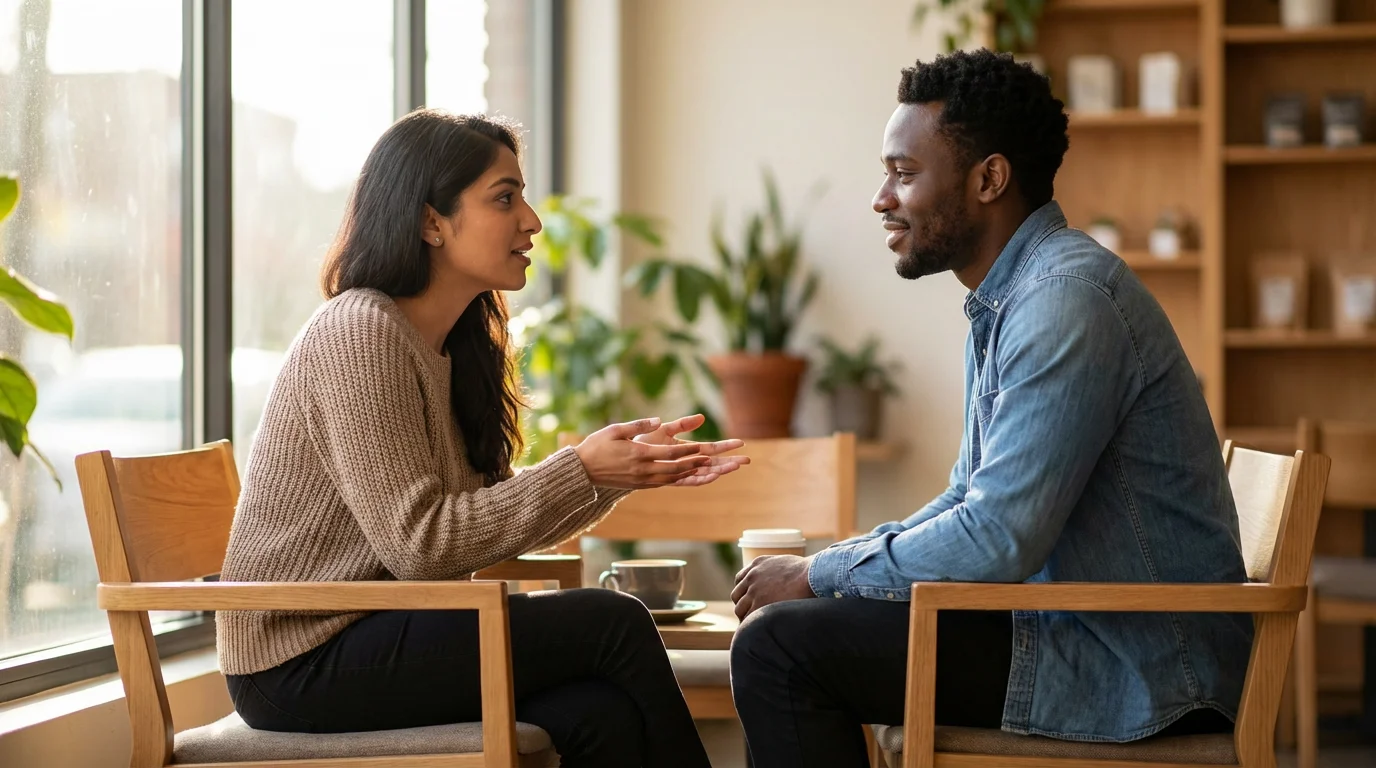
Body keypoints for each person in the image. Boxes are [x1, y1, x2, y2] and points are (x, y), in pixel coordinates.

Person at [728, 49, 1252, 767]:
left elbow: (1000, 538)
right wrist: (830, 569)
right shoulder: (1017, 299)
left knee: (781, 646)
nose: (882, 198)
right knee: (801, 625)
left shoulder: (1065, 302)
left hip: (1136, 668)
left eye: (904, 174)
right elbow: (966, 501)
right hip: (1075, 631)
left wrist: (818, 574)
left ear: (988, 179)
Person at [217, 109, 741, 768]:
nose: (532, 220)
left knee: (597, 716)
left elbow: (481, 522)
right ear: (431, 220)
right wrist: (580, 468)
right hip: (299, 657)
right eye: (504, 197)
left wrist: (608, 473)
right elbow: (424, 546)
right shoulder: (360, 333)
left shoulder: (451, 347)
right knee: (616, 622)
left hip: (374, 631)